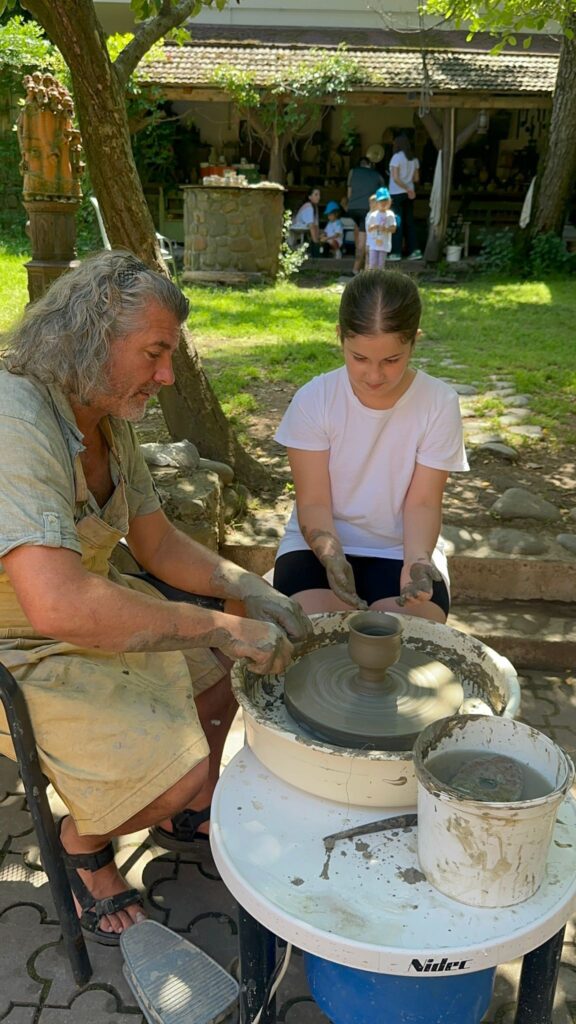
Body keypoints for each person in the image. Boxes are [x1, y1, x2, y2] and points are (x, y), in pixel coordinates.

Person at [0, 250, 311, 944]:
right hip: (19, 646)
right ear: (89, 340)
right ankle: (83, 846)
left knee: (229, 674)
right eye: (155, 352)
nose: (167, 375)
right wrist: (218, 626)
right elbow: (55, 606)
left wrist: (245, 587)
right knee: (185, 758)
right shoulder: (15, 422)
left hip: (87, 608)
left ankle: (174, 803)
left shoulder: (104, 416)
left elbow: (157, 543)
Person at [272, 270, 468, 620]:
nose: (374, 376)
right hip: (316, 548)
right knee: (317, 633)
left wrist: (417, 563)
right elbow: (313, 501)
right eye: (359, 358)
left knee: (409, 636)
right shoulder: (314, 399)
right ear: (340, 337)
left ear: (414, 341)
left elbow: (423, 503)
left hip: (402, 549)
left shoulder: (439, 402)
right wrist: (332, 555)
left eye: (392, 360)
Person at [346, 150, 385, 273]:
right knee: (365, 241)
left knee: (359, 233)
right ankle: (357, 269)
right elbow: (383, 196)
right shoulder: (377, 175)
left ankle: (362, 266)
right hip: (367, 210)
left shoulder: (352, 172)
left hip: (352, 208)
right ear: (370, 164)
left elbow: (349, 195)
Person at [388, 134, 421, 261]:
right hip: (410, 193)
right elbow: (416, 178)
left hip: (397, 193)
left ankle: (396, 252)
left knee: (397, 222)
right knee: (410, 222)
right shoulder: (414, 159)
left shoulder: (396, 157)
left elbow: (395, 178)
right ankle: (414, 250)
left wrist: (405, 188)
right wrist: (409, 187)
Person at [365, 187, 396, 269]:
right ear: (377, 202)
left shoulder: (390, 215)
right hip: (373, 244)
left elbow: (393, 229)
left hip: (384, 244)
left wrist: (386, 229)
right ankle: (372, 276)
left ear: (389, 201)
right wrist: (374, 227)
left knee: (381, 265)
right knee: (372, 264)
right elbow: (369, 229)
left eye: (386, 200)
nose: (383, 203)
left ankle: (379, 277)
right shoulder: (373, 215)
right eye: (381, 201)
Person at [289, 187, 321, 252]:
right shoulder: (308, 206)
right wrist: (316, 243)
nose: (319, 197)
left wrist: (318, 238)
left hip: (303, 231)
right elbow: (311, 226)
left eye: (319, 195)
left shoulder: (315, 207)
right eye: (316, 195)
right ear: (310, 197)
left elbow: (316, 226)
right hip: (296, 232)